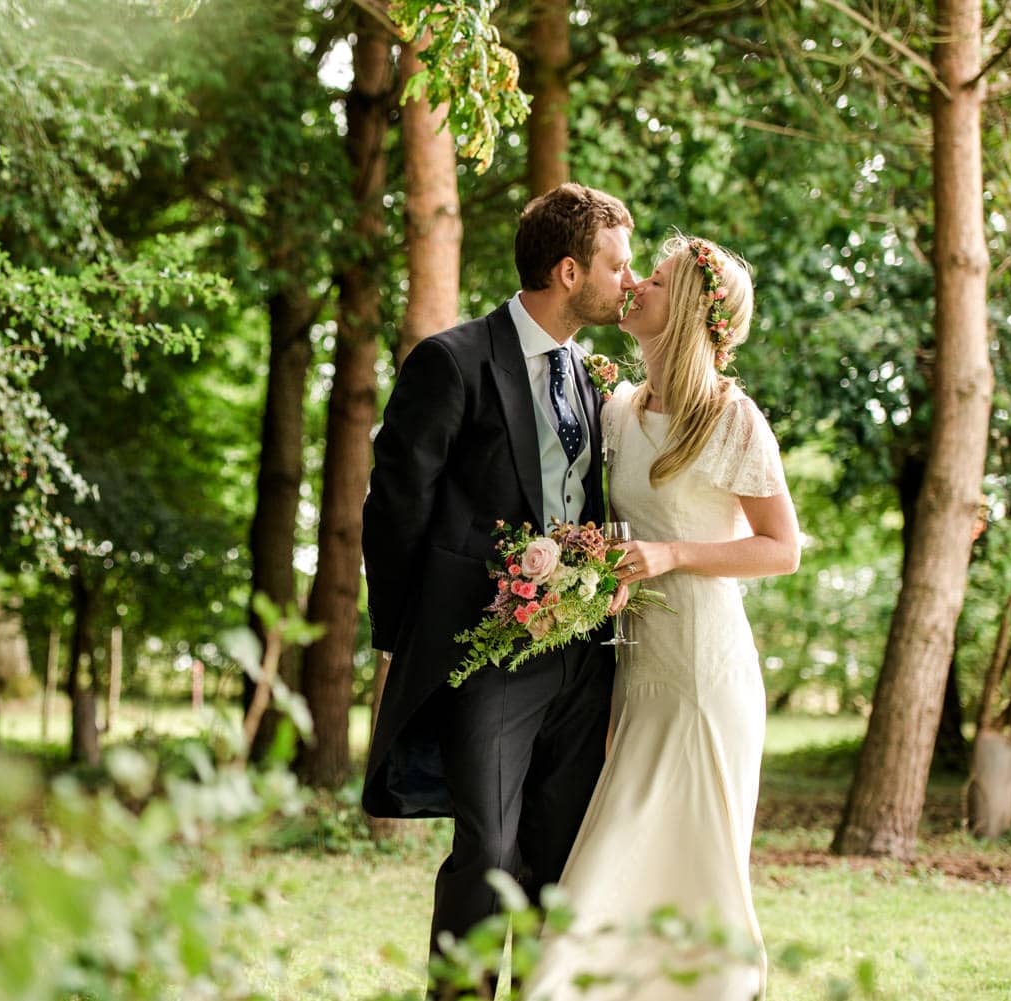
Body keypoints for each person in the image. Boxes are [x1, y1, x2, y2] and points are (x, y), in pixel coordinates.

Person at [360, 182, 637, 999]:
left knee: (558, 850)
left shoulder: (591, 378)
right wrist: (412, 632)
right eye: (617, 266)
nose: (629, 282)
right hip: (487, 654)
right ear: (567, 270)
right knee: (486, 847)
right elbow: (396, 503)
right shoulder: (454, 361)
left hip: (584, 660)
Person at [525, 235, 801, 1001]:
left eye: (656, 277)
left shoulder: (732, 419)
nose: (635, 282)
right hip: (637, 668)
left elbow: (782, 550)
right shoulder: (619, 409)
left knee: (681, 861)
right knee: (623, 854)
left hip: (707, 675)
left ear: (685, 309)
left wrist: (674, 554)